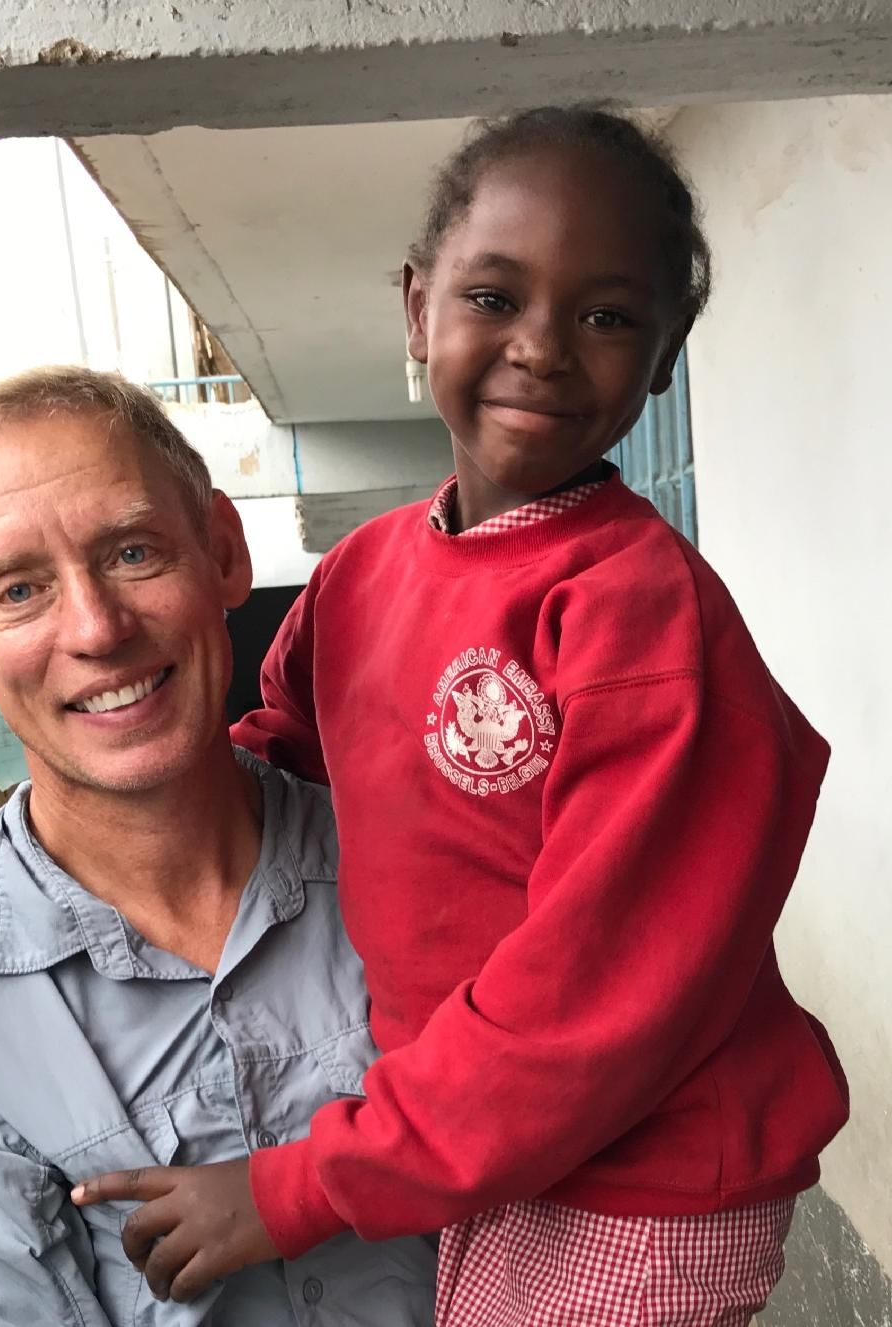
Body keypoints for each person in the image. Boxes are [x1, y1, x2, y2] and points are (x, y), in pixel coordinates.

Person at [73, 107, 850, 1325]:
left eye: (606, 315)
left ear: (664, 354)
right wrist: (82, 827)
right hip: (480, 1140)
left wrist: (292, 1188)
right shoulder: (361, 572)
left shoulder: (643, 620)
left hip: (637, 1182)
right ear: (416, 307)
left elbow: (588, 1006)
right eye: (495, 296)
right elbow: (275, 763)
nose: (541, 347)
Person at [0, 367, 437, 1326]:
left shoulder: (430, 866)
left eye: (135, 550)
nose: (98, 627)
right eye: (19, 588)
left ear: (225, 553)